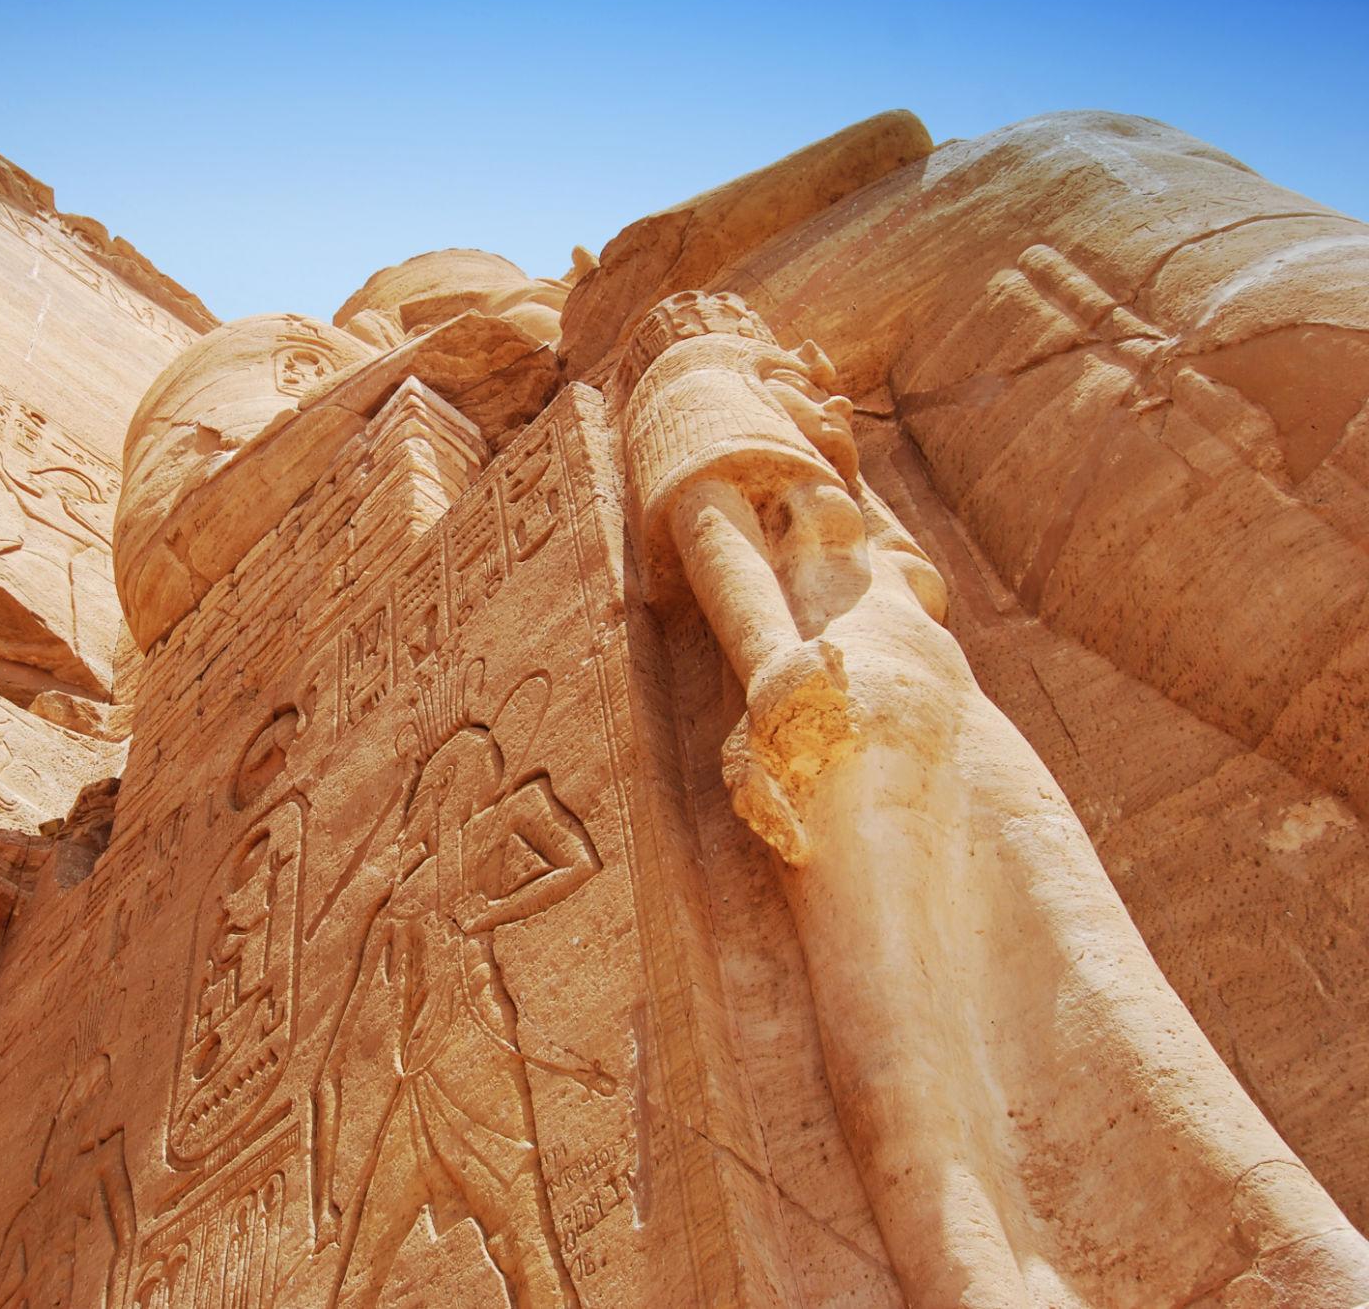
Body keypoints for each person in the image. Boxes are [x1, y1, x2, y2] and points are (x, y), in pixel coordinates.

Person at [619, 291, 1369, 1307]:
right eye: (778, 363)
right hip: (840, 695)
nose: (808, 360)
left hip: (923, 689)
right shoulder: (695, 388)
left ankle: (1277, 1260)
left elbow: (908, 576)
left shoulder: (819, 477)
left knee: (1080, 975)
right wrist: (770, 674)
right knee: (911, 1036)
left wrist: (830, 458)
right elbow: (710, 525)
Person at [312, 720, 598, 1309]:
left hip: (480, 1056)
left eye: (434, 784)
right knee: (367, 1265)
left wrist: (492, 911)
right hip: (419, 1082)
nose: (421, 802)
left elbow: (580, 862)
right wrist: (321, 1194)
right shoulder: (396, 906)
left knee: (525, 1243)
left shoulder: (506, 818)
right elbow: (336, 1058)